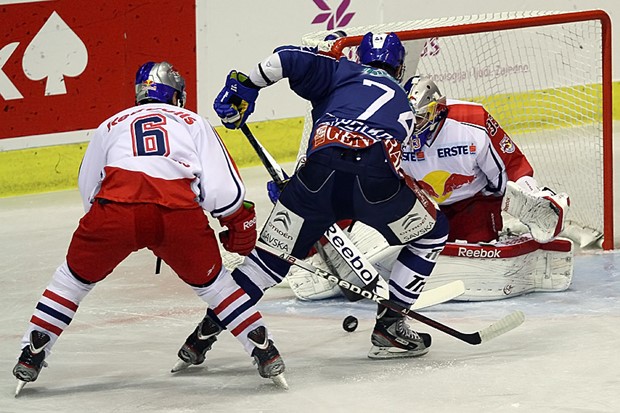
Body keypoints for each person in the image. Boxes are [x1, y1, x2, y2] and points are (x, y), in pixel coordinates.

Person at [173, 32, 449, 365]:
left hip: (315, 180)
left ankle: (202, 335)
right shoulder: (403, 100)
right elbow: (373, 162)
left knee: (266, 264)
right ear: (400, 68)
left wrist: (247, 85)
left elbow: (285, 58)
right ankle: (391, 323)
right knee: (433, 233)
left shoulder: (343, 70)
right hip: (374, 182)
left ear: (359, 58)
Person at [12, 61, 286, 395]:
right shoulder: (193, 121)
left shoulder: (110, 124)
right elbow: (225, 193)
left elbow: (89, 187)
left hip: (114, 211)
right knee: (217, 286)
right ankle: (263, 348)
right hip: (177, 215)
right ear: (176, 94)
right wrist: (233, 221)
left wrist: (105, 226)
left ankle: (33, 351)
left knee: (72, 279)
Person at [285, 75, 573, 302]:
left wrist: (529, 194)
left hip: (471, 203)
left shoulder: (472, 122)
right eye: (410, 118)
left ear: (437, 111)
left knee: (468, 257)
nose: (413, 126)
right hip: (416, 203)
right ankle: (318, 251)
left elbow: (511, 166)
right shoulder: (388, 125)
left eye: (420, 118)